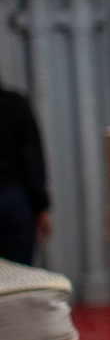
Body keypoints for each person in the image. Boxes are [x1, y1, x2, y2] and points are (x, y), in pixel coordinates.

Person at [0, 78, 52, 264]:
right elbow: (32, 159)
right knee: (19, 276)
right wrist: (41, 207)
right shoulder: (15, 104)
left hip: (15, 198)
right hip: (15, 199)